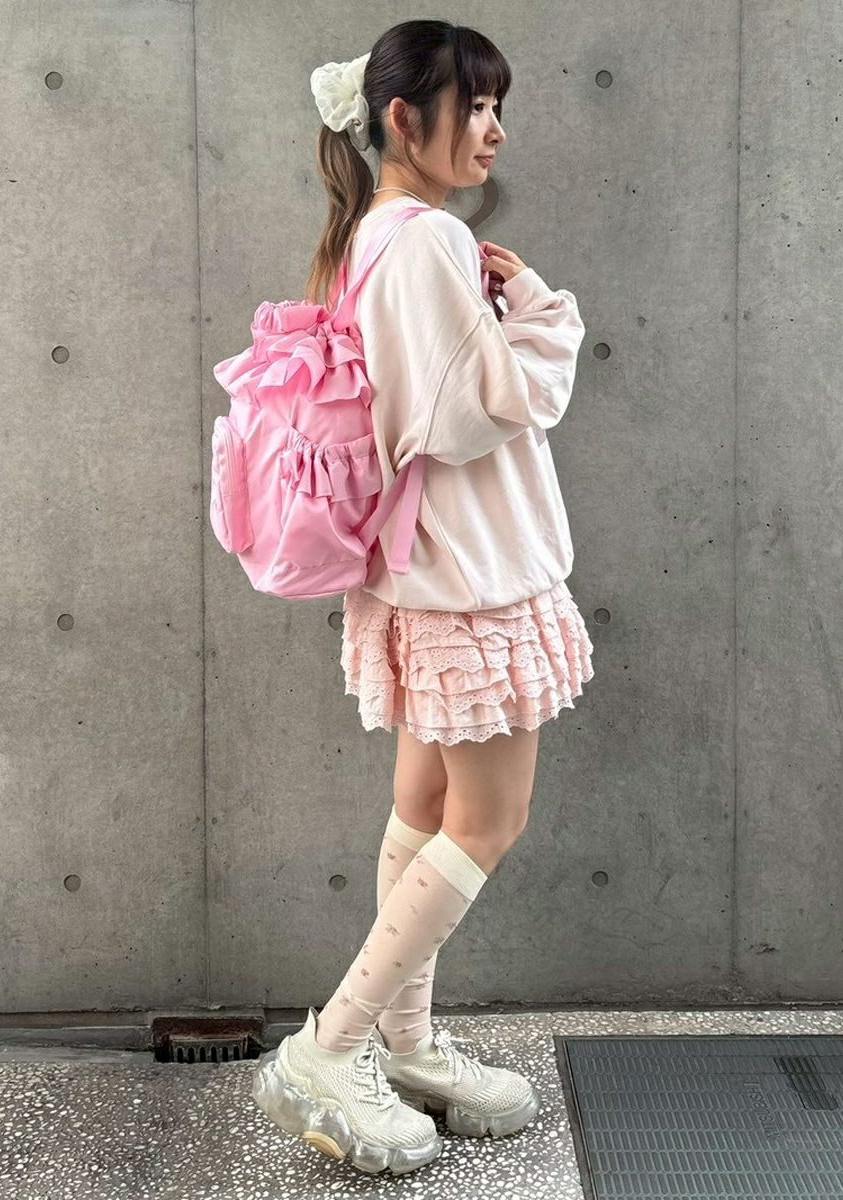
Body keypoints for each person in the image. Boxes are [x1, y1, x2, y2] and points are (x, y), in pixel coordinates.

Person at [252, 19, 594, 1176]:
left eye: (500, 107)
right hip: (470, 573)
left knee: (424, 803)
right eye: (473, 106)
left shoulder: (368, 237)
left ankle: (403, 1048)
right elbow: (478, 410)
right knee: (487, 821)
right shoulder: (432, 240)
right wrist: (541, 313)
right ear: (403, 118)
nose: (492, 130)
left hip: (417, 569)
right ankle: (333, 1047)